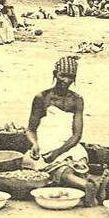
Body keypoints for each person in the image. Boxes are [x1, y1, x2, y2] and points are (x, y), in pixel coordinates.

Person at [24, 56, 93, 197]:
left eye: (71, 77)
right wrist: (35, 144)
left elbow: (76, 135)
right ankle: (86, 185)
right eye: (63, 75)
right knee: (37, 164)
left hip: (69, 145)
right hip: (46, 144)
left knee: (78, 162)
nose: (66, 81)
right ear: (55, 74)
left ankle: (83, 183)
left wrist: (57, 152)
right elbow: (31, 129)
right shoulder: (41, 97)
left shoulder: (77, 100)